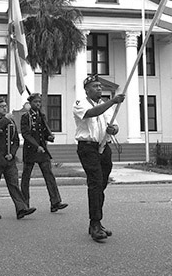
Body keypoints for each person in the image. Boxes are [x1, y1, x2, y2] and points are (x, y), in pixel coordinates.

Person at [73, 74, 125, 242]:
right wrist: (113, 101)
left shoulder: (105, 105)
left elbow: (114, 124)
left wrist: (113, 130)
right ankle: (95, 223)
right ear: (87, 90)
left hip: (104, 147)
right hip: (88, 147)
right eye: (95, 86)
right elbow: (92, 113)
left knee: (101, 184)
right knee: (95, 183)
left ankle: (96, 221)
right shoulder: (80, 103)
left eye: (100, 86)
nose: (99, 89)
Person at [0, 98, 36, 220]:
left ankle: (21, 208)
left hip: (9, 159)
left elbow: (15, 141)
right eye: (1, 106)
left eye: (5, 106)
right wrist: (5, 119)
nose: (4, 108)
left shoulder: (11, 122)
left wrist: (12, 154)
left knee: (14, 184)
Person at [20, 93, 67, 213]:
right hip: (31, 150)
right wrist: (36, 146)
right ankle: (24, 205)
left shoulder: (41, 116)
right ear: (30, 103)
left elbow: (43, 132)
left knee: (49, 175)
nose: (38, 104)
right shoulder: (26, 117)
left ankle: (55, 202)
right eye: (35, 102)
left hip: (42, 151)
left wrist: (49, 137)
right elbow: (26, 134)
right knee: (26, 178)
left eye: (39, 102)